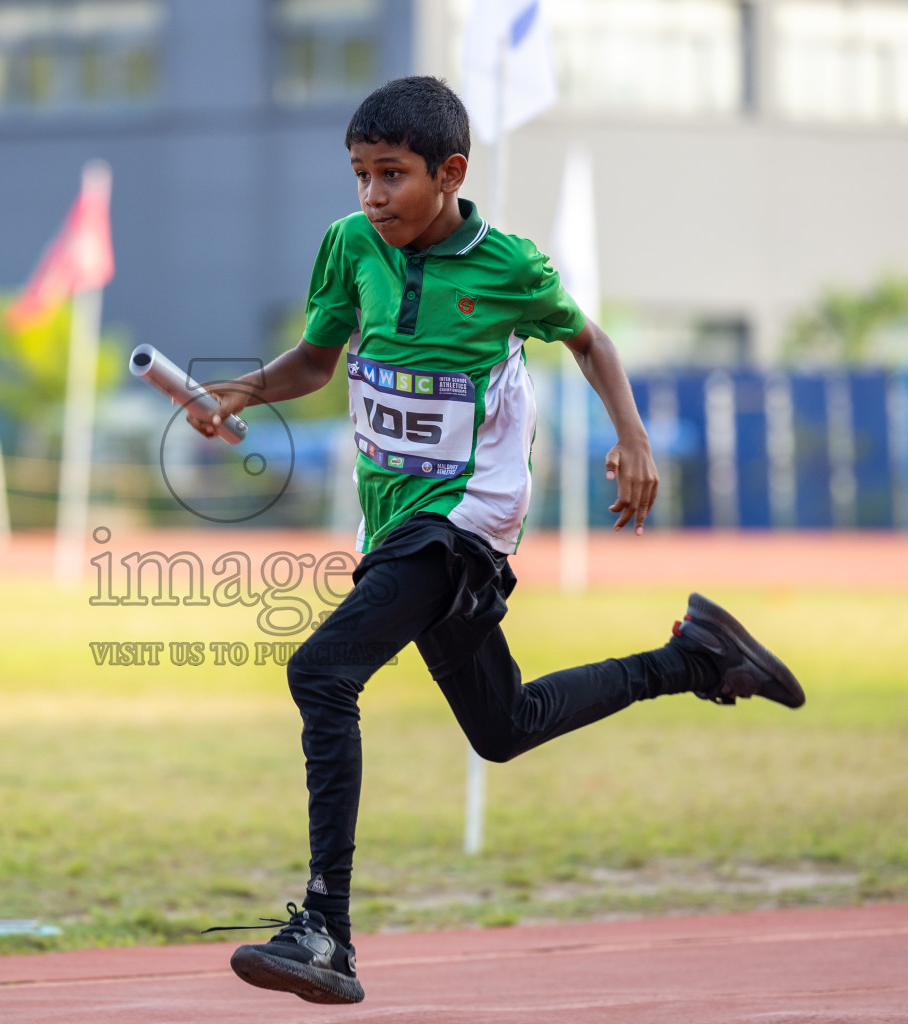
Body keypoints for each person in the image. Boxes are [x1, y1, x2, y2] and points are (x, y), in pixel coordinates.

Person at [187, 76, 805, 1006]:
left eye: (391, 175)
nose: (371, 196)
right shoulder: (351, 246)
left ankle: (326, 928)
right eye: (359, 175)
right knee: (503, 728)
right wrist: (244, 389)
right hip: (395, 525)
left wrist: (632, 438)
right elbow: (317, 361)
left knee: (321, 673)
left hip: (463, 523)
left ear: (451, 174)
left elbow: (589, 341)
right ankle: (694, 659)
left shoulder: (509, 266)